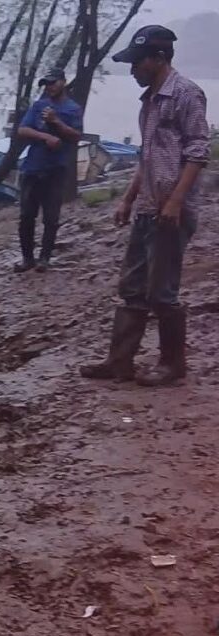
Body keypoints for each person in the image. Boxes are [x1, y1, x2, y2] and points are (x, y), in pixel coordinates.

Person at [80, 25, 209, 387]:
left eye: (138, 63)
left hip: (172, 209)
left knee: (162, 290)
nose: (133, 70)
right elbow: (147, 156)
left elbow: (197, 152)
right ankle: (119, 361)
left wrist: (176, 202)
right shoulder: (149, 100)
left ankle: (172, 364)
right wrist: (127, 199)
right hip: (147, 206)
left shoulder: (187, 94)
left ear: (159, 58)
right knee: (132, 285)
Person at [14, 68, 84, 273]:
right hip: (32, 168)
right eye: (46, 84)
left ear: (63, 82)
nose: (50, 87)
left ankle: (44, 258)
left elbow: (76, 136)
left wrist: (56, 122)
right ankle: (27, 258)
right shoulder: (39, 106)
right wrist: (45, 136)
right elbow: (22, 129)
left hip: (55, 169)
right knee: (26, 216)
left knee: (51, 217)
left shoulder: (72, 109)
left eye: (53, 82)